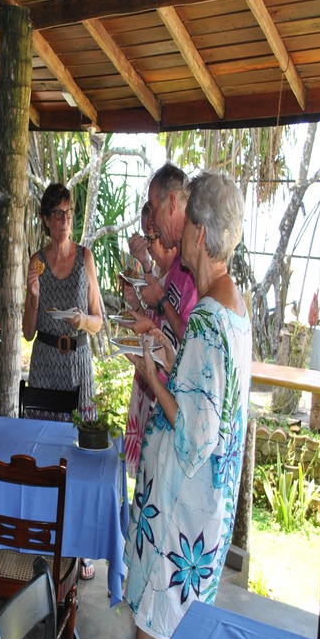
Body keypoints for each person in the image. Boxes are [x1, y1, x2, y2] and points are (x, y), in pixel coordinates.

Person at [122, 171, 252, 639]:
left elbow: (196, 437)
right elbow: (210, 402)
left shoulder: (207, 319)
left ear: (199, 233)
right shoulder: (235, 313)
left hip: (181, 523)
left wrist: (152, 378)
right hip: (204, 522)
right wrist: (170, 357)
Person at [22, 182, 102, 581]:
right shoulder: (36, 260)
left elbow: (100, 320)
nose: (66, 219)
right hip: (45, 361)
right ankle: (44, 536)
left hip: (79, 360)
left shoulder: (86, 257)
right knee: (46, 452)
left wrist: (81, 320)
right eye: (58, 213)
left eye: (70, 212)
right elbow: (26, 330)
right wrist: (34, 295)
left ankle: (81, 545)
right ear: (45, 220)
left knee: (81, 456)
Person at [122, 166, 198, 482]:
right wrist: (140, 310)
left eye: (153, 213)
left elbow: (190, 338)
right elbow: (162, 331)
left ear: (171, 202)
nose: (151, 228)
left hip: (177, 409)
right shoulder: (179, 268)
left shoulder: (192, 271)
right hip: (160, 400)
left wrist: (159, 301)